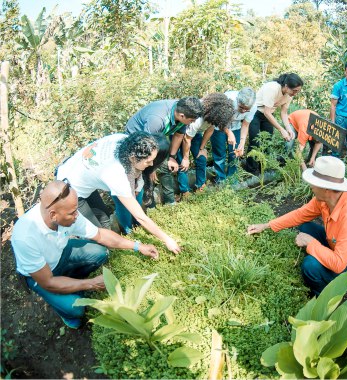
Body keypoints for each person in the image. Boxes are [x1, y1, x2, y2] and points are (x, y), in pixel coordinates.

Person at [11, 180, 159, 329]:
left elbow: (100, 235)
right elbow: (48, 282)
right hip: (43, 275)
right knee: (76, 309)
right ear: (53, 215)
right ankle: (66, 312)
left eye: (76, 209)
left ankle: (71, 281)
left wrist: (138, 246)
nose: (77, 216)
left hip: (61, 252)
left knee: (100, 253)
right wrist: (91, 283)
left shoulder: (68, 213)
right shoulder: (25, 237)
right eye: (72, 213)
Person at [247, 156, 347, 296]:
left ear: (326, 189)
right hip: (335, 246)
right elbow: (299, 215)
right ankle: (322, 261)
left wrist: (310, 242)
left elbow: (338, 264)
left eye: (314, 183)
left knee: (310, 266)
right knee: (305, 227)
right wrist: (266, 225)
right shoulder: (325, 200)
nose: (311, 186)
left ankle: (322, 296)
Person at [56, 132, 181, 254]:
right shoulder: (115, 173)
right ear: (133, 158)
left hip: (77, 173)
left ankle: (111, 248)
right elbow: (140, 217)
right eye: (148, 162)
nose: (152, 164)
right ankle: (103, 256)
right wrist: (167, 240)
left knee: (104, 218)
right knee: (96, 231)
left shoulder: (127, 141)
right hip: (69, 190)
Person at [125, 97, 203, 205]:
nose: (192, 123)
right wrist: (152, 169)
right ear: (182, 116)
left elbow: (178, 135)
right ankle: (148, 204)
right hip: (138, 140)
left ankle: (169, 202)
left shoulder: (182, 112)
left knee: (166, 167)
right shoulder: (157, 120)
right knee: (145, 174)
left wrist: (172, 157)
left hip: (154, 139)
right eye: (191, 120)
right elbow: (147, 146)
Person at [245, 73, 304, 174]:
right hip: (256, 112)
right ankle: (251, 168)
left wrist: (288, 129)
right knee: (255, 141)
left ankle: (262, 166)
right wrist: (282, 130)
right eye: (294, 90)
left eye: (297, 91)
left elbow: (283, 112)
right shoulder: (273, 88)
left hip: (268, 115)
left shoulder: (289, 95)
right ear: (286, 86)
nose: (295, 93)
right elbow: (266, 112)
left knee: (267, 141)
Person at [178, 93, 235, 195]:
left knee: (201, 159)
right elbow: (187, 139)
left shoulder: (214, 118)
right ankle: (184, 191)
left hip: (195, 134)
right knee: (183, 163)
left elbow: (209, 131)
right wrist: (186, 158)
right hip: (181, 134)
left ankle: (200, 186)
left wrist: (201, 149)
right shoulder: (198, 118)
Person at [209, 88, 256, 182]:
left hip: (236, 126)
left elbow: (245, 125)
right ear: (237, 100)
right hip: (219, 126)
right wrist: (228, 132)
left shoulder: (254, 107)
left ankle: (232, 178)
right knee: (220, 153)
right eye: (241, 107)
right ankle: (220, 179)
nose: (243, 111)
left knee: (235, 152)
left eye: (246, 110)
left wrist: (242, 142)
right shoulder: (227, 100)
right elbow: (218, 119)